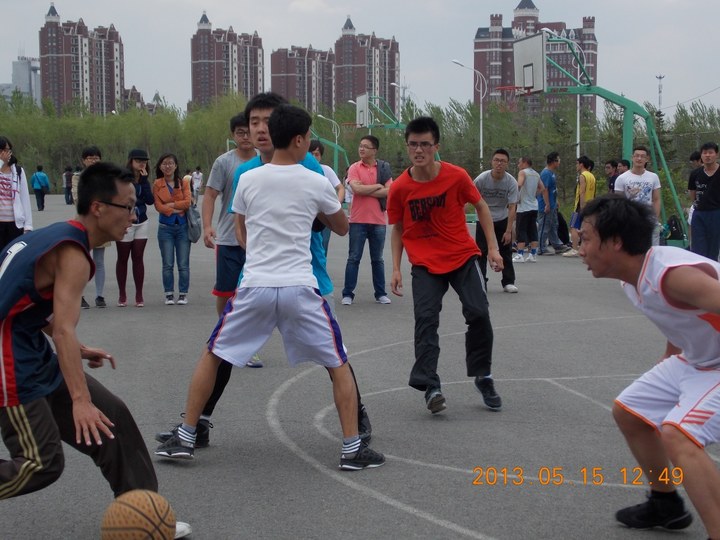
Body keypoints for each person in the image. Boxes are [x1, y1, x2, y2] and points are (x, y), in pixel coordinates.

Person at [154, 104, 385, 471]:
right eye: (307, 138)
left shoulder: (248, 179)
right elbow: (341, 227)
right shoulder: (315, 180)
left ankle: (185, 436)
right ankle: (352, 448)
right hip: (300, 286)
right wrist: (317, 208)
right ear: (300, 140)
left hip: (256, 284)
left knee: (213, 353)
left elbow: (242, 232)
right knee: (337, 361)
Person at [0, 162, 191, 538]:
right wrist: (79, 400)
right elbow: (63, 330)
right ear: (99, 208)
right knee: (40, 463)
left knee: (111, 415)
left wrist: (79, 348)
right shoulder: (72, 252)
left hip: (26, 346)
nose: (134, 215)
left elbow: (23, 304)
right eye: (128, 206)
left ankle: (142, 513)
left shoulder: (56, 237)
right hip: (9, 360)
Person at [578, 194, 720, 539]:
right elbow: (681, 319)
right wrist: (671, 355)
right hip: (698, 359)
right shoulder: (633, 278)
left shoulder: (673, 276)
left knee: (679, 435)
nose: (580, 249)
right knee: (631, 411)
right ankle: (665, 503)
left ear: (615, 242)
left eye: (585, 239)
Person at [388, 116, 504, 414]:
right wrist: (396, 268)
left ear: (436, 146)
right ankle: (431, 386)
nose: (419, 150)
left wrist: (492, 248)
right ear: (407, 146)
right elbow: (398, 228)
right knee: (426, 320)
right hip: (425, 263)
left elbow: (481, 207)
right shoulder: (400, 187)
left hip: (462, 257)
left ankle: (483, 375)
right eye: (413, 144)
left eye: (425, 144)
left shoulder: (456, 176)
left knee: (479, 313)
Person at [201, 111, 263, 374]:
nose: (246, 136)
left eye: (248, 131)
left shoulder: (265, 160)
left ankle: (248, 345)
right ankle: (225, 331)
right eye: (240, 133)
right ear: (233, 135)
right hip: (228, 238)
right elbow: (210, 195)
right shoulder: (224, 162)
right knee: (226, 292)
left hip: (257, 240)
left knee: (252, 293)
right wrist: (207, 226)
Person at [341, 135, 393, 305]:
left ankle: (380, 293)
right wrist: (377, 186)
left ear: (374, 150)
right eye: (360, 145)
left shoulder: (384, 168)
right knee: (353, 258)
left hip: (378, 221)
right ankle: (348, 294)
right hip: (358, 220)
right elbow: (356, 190)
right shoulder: (354, 167)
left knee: (377, 259)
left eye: (365, 146)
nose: (361, 149)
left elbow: (389, 191)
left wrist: (365, 189)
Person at [474, 148, 519, 293]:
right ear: (492, 162)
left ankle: (508, 282)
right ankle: (481, 281)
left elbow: (512, 207)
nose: (499, 163)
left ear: (507, 164)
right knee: (481, 252)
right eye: (497, 160)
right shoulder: (481, 179)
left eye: (503, 161)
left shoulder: (511, 182)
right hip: (483, 218)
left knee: (506, 251)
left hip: (501, 218)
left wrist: (509, 230)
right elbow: (469, 197)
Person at [116, 149, 154, 307]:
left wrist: (144, 181)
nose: (142, 164)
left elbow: (150, 200)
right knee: (123, 258)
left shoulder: (144, 179)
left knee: (138, 258)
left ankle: (139, 294)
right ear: (131, 161)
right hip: (125, 222)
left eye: (144, 161)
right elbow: (122, 199)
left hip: (142, 222)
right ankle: (122, 294)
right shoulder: (123, 179)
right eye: (138, 161)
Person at [153, 153, 192, 305]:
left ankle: (183, 294)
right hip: (165, 228)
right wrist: (177, 208)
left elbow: (187, 202)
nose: (168, 166)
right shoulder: (157, 183)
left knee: (183, 264)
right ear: (160, 166)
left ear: (176, 166)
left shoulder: (183, 182)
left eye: (170, 163)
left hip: (182, 227)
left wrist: (170, 205)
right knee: (167, 263)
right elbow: (158, 206)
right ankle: (169, 294)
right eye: (164, 163)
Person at [72, 147, 108, 309]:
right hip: (83, 222)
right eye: (90, 158)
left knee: (99, 261)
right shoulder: (77, 178)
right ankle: (80, 296)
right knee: (82, 260)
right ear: (83, 160)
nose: (93, 161)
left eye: (96, 158)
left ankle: (100, 295)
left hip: (101, 222)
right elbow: (78, 199)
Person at [613, 145, 662, 245]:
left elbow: (656, 199)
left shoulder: (653, 177)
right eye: (637, 156)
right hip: (630, 219)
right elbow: (618, 201)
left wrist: (655, 218)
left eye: (642, 156)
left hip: (648, 219)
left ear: (647, 159)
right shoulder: (622, 178)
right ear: (632, 157)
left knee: (651, 249)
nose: (639, 159)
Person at [309, 139, 345, 254]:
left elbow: (340, 188)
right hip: (308, 214)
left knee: (323, 245)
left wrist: (337, 204)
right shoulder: (302, 169)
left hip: (324, 215)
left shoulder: (326, 170)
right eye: (311, 154)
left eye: (317, 154)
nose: (314, 157)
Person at [689, 142, 720, 260]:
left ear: (716, 154)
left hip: (716, 213)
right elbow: (692, 193)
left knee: (713, 249)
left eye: (710, 152)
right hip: (699, 213)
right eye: (705, 153)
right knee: (698, 249)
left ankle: (713, 270)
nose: (707, 155)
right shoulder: (695, 174)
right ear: (701, 155)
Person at [0, 137, 32, 250]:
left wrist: (28, 226)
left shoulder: (18, 171)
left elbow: (24, 198)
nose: (5, 153)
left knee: (12, 256)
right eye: (2, 150)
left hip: (15, 224)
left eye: (7, 150)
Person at [562, 155, 596, 258]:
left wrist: (581, 206)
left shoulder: (582, 176)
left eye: (577, 164)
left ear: (581, 164)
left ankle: (574, 249)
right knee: (586, 227)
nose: (576, 166)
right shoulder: (592, 176)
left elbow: (582, 192)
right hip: (591, 204)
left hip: (581, 205)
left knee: (573, 227)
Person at [537, 152, 569, 256]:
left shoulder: (552, 173)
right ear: (553, 161)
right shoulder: (546, 173)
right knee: (544, 226)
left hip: (553, 204)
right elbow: (545, 189)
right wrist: (547, 204)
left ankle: (557, 245)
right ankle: (541, 248)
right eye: (558, 160)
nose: (559, 162)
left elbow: (553, 189)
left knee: (553, 225)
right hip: (546, 205)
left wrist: (556, 201)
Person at [513, 156, 545, 263]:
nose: (518, 165)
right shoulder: (536, 174)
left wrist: (515, 197)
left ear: (525, 162)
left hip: (523, 207)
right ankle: (533, 254)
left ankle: (520, 254)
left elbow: (519, 184)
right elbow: (542, 188)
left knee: (521, 230)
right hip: (534, 205)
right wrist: (534, 195)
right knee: (532, 230)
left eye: (519, 162)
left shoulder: (522, 172)